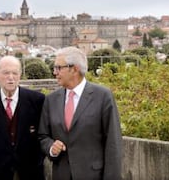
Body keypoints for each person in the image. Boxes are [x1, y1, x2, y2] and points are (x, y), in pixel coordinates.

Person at [38, 46, 122, 180]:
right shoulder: (51, 100)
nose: (55, 72)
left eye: (59, 67)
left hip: (93, 175)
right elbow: (43, 136)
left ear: (74, 69)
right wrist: (51, 148)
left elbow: (113, 143)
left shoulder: (102, 96)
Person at [0, 55, 45, 180]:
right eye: (6, 73)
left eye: (15, 73)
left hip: (31, 172)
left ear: (20, 75)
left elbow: (43, 134)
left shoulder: (37, 100)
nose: (11, 77)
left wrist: (36, 161)